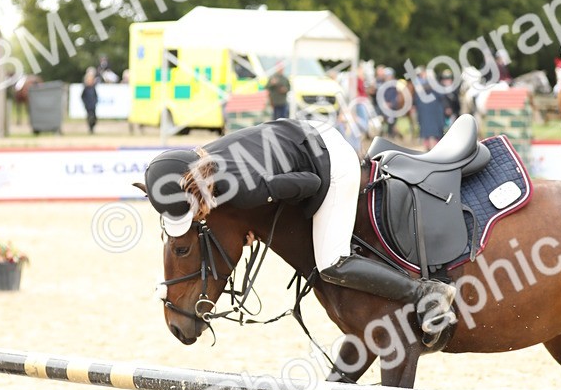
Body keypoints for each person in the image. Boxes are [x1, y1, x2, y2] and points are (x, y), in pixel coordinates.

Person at [143, 118, 456, 345]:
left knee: (331, 262)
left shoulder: (245, 189)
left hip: (334, 163)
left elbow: (312, 183)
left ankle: (426, 293)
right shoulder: (202, 162)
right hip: (305, 133)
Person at [412, 67, 444, 149]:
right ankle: (429, 147)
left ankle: (432, 147)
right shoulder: (420, 86)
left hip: (433, 112)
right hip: (426, 112)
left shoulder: (433, 86)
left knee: (433, 133)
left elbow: (441, 96)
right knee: (429, 133)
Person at [81, 67, 98, 133]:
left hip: (93, 105)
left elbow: (96, 96)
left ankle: (92, 127)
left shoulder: (93, 88)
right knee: (90, 117)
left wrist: (95, 102)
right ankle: (90, 128)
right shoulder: (86, 88)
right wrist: (85, 103)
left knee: (94, 117)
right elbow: (82, 96)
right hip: (88, 105)